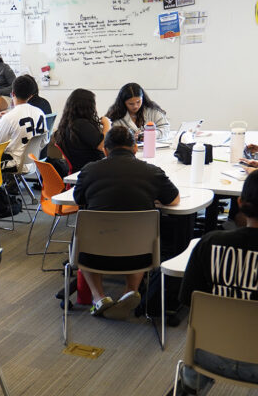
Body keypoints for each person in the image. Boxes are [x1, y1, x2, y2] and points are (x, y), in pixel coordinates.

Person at [167, 170, 258, 396]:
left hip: (208, 358)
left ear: (240, 203)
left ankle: (188, 386)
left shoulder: (208, 243)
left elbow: (188, 301)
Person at [72, 126, 180, 319]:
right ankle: (130, 290)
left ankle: (98, 297)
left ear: (105, 150)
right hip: (141, 256)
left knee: (82, 238)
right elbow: (174, 200)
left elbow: (79, 200)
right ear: (135, 148)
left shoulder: (89, 170)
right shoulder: (152, 172)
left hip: (93, 254)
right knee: (139, 235)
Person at [0, 75, 45, 171]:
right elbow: (44, 141)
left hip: (14, 164)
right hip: (34, 162)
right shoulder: (40, 113)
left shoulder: (9, 117)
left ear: (12, 93)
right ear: (30, 95)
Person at [53, 88, 110, 173]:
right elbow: (101, 146)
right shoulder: (81, 124)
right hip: (91, 170)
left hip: (81, 169)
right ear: (88, 106)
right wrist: (107, 124)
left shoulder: (66, 124)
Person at [103, 83, 170, 139]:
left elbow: (165, 129)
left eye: (138, 102)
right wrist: (129, 137)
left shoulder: (152, 110)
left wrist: (151, 134)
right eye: (131, 104)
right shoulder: (115, 115)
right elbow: (110, 137)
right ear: (123, 103)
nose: (135, 106)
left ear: (143, 98)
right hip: (126, 151)